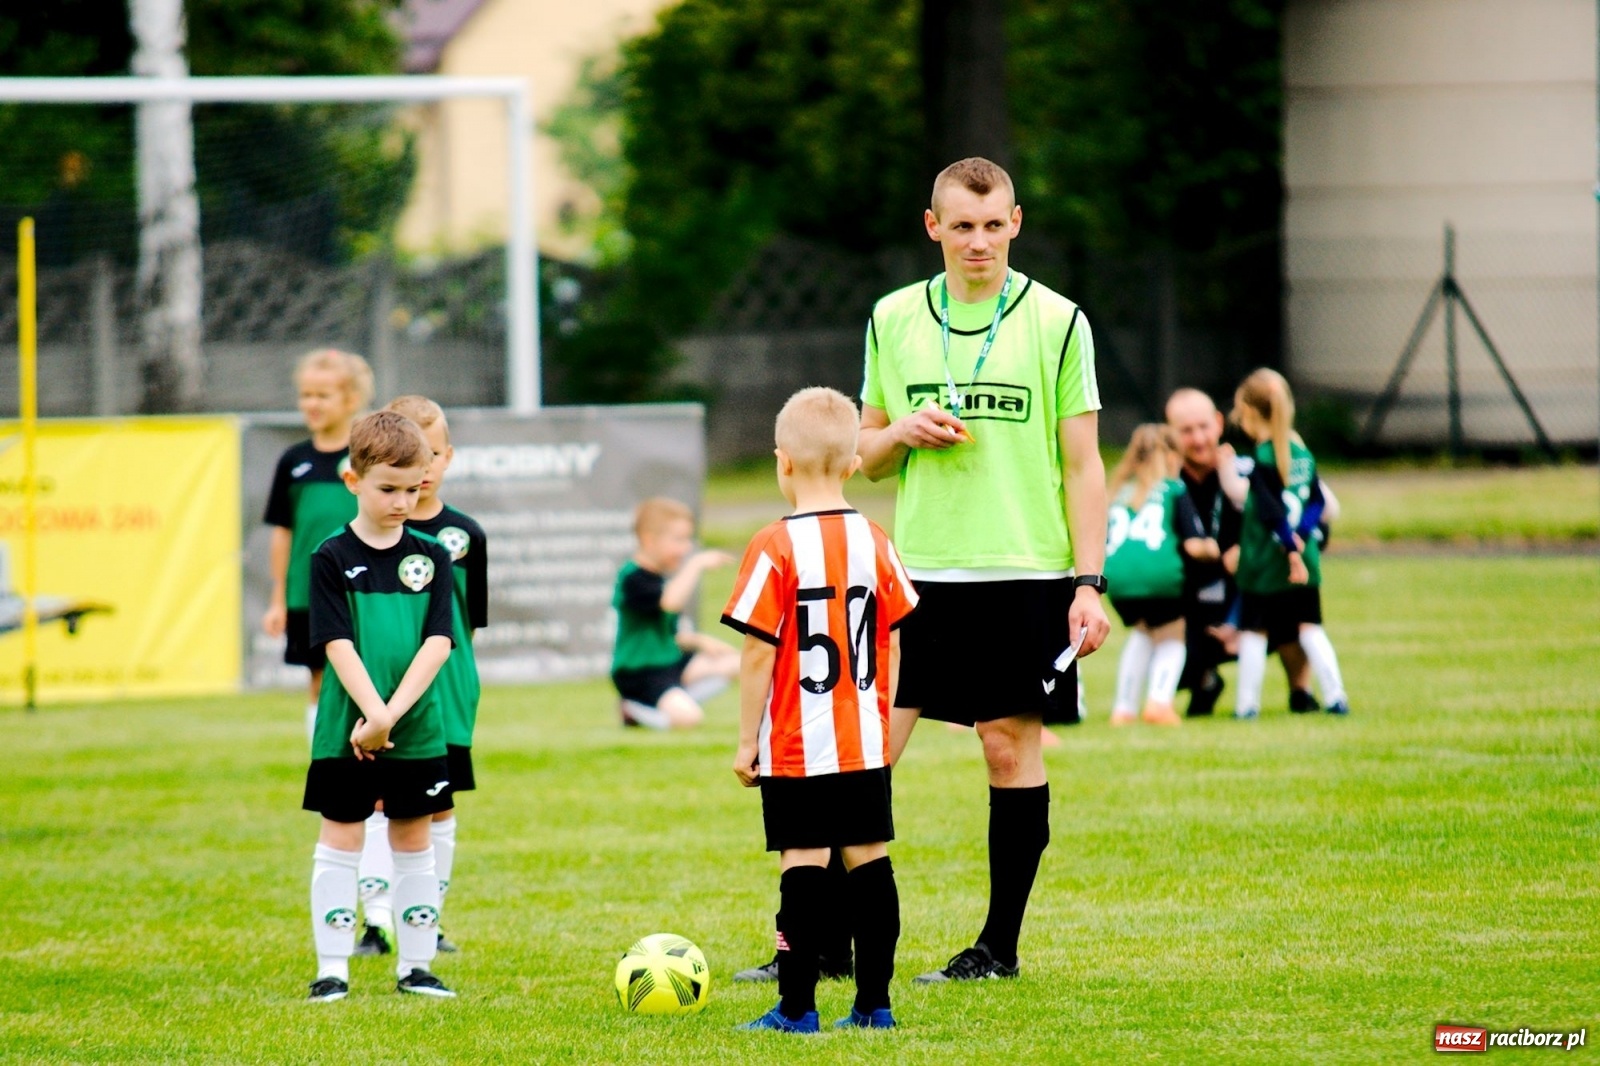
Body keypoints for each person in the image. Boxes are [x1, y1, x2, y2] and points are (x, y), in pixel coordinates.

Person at [858, 157, 1110, 983]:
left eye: (993, 224)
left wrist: (1088, 582)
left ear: (1016, 223)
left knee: (1007, 752)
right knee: (865, 754)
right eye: (961, 226)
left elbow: (1084, 465)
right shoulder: (892, 318)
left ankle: (997, 949)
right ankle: (822, 944)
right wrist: (902, 434)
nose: (978, 241)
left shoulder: (1059, 321)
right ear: (933, 227)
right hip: (917, 575)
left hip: (1025, 574)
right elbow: (865, 458)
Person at [722, 387, 918, 1033]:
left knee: (802, 864)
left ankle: (797, 1008)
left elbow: (757, 655)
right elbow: (892, 637)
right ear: (856, 462)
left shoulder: (774, 545)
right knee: (871, 859)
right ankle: (874, 1005)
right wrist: (880, 717)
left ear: (782, 463)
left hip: (798, 745)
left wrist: (747, 741)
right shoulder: (876, 538)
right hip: (863, 740)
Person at [302, 411, 458, 1001]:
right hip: (347, 727)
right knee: (340, 840)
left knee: (414, 843)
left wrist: (391, 716)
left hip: (416, 728)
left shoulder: (434, 557)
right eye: (387, 488)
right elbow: (336, 643)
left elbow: (438, 643)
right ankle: (332, 970)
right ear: (353, 481)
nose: (401, 501)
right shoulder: (330, 558)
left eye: (412, 488)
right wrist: (371, 714)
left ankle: (416, 967)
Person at [352, 396, 487, 960]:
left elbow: (468, 624)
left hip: (446, 692)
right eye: (416, 454)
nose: (424, 469)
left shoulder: (465, 536)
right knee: (380, 806)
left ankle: (426, 921)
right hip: (380, 689)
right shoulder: (363, 539)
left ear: (447, 456)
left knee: (440, 806)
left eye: (433, 454)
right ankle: (376, 922)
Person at [1165, 388, 1328, 716]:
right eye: (1186, 431)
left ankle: (1300, 691)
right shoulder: (1165, 484)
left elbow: (1310, 519)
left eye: (1203, 427)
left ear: (1219, 423)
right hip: (1194, 595)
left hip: (1254, 585)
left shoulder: (1249, 469)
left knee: (1289, 606)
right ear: (1170, 435)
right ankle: (1204, 681)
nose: (1198, 439)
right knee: (1164, 625)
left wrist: (1253, 553)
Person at [263, 349, 373, 740]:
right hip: (310, 594)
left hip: (365, 591)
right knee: (321, 681)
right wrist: (278, 598)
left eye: (322, 395)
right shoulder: (294, 461)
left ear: (351, 400)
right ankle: (326, 762)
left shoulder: (368, 458)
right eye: (306, 394)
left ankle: (376, 772)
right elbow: (283, 532)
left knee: (371, 682)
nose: (312, 403)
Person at [1228, 369, 1351, 719]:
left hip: (1264, 560)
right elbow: (1316, 503)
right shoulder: (1302, 453)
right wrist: (1300, 539)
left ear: (1250, 413)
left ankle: (1246, 706)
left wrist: (1288, 546)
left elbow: (1269, 513)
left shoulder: (1264, 459)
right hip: (1305, 557)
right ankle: (1335, 697)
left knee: (1254, 629)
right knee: (1309, 625)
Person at [1104, 425, 1219, 726]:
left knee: (1143, 631)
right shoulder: (1172, 488)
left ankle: (1123, 708)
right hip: (1159, 578)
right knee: (1172, 636)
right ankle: (1159, 701)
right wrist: (1214, 548)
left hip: (1115, 578)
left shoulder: (1118, 489)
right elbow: (1195, 546)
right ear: (1170, 456)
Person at [610, 498, 740, 729]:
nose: (687, 548)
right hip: (641, 674)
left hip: (669, 664)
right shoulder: (633, 578)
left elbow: (667, 634)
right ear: (649, 540)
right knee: (689, 719)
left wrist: (700, 641)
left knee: (738, 664)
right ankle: (633, 708)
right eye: (679, 540)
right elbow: (669, 603)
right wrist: (695, 564)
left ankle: (674, 700)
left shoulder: (660, 579)